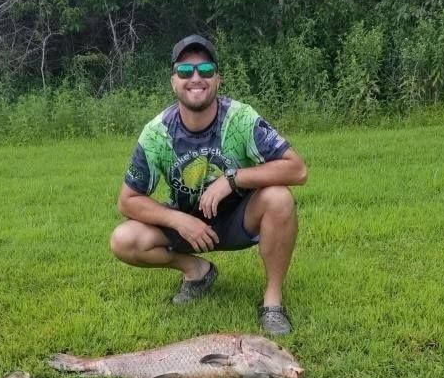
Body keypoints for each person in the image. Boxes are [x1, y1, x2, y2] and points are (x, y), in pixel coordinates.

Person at [111, 34, 308, 335]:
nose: (195, 78)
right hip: (188, 225)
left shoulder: (240, 118)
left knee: (279, 198)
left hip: (240, 218)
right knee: (123, 239)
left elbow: (297, 169)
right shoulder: (157, 133)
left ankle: (272, 302)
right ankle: (197, 272)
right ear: (173, 81)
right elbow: (127, 201)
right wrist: (179, 220)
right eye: (185, 71)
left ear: (218, 80)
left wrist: (233, 179)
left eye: (205, 70)